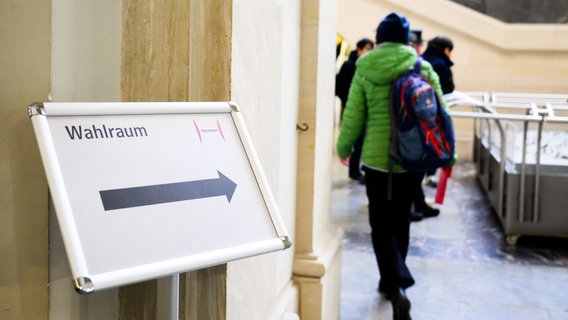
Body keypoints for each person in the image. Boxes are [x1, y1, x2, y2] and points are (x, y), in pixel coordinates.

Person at [336, 12, 447, 320]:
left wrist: (344, 148)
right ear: (406, 38)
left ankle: (395, 282)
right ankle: (392, 282)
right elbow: (440, 111)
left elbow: (354, 115)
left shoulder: (364, 67)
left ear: (380, 37)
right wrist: (446, 153)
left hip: (377, 162)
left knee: (380, 224)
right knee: (401, 221)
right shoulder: (421, 66)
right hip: (413, 161)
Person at [335, 38, 374, 182]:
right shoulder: (350, 65)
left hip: (359, 107)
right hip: (351, 106)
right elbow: (339, 86)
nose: (368, 52)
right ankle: (353, 170)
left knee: (360, 139)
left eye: (371, 49)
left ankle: (356, 168)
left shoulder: (363, 65)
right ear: (359, 49)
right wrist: (349, 99)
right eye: (366, 48)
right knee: (355, 139)